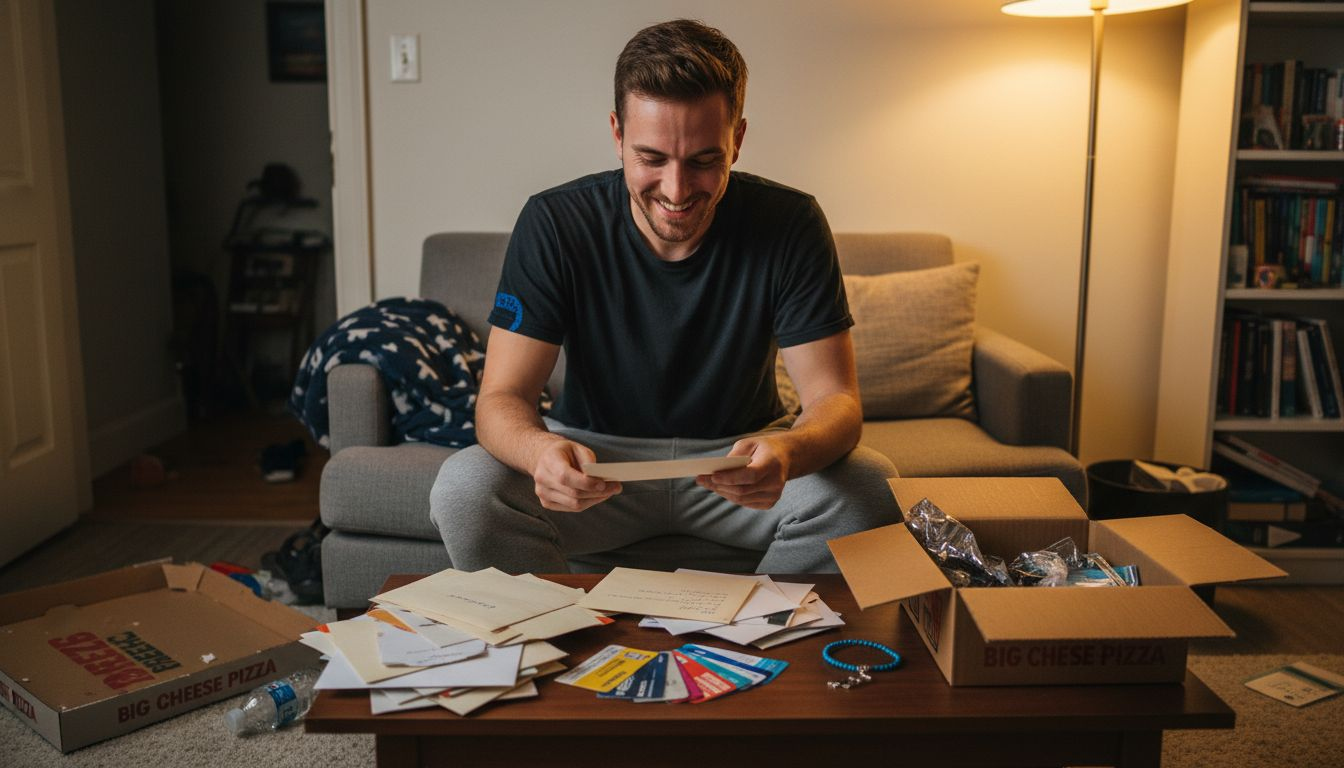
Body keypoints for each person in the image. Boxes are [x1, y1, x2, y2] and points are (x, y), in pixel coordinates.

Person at [430, 19, 897, 574]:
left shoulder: (791, 222)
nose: (676, 192)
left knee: (871, 486)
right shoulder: (554, 221)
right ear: (617, 135)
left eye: (703, 160)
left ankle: (761, 631)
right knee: (464, 488)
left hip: (739, 461)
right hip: (597, 464)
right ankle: (552, 631)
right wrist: (540, 454)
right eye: (652, 158)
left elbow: (836, 402)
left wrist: (790, 452)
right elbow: (500, 398)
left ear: (737, 140)